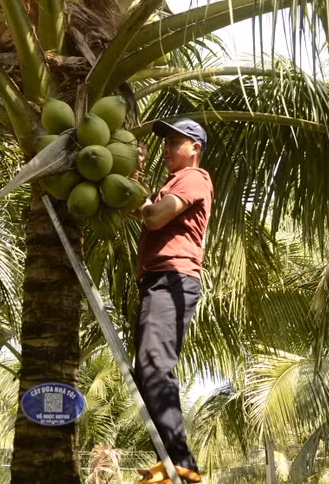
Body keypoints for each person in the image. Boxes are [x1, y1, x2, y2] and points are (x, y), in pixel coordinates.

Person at [134, 119, 213, 484]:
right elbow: (146, 209)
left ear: (194, 147)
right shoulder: (170, 184)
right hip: (157, 280)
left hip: (173, 280)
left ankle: (183, 467)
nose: (165, 149)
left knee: (153, 368)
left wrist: (140, 195)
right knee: (144, 373)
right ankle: (172, 465)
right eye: (164, 143)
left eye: (174, 142)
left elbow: (154, 217)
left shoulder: (193, 179)